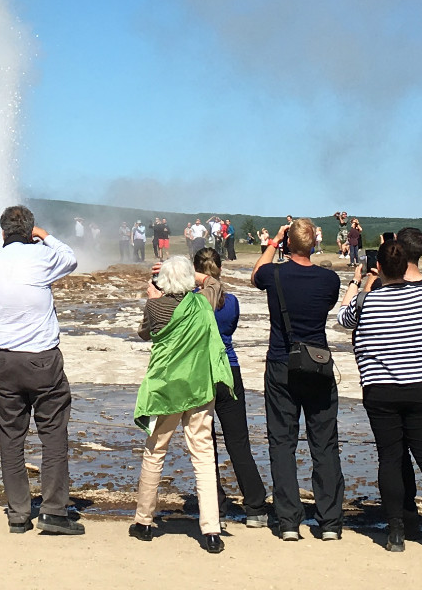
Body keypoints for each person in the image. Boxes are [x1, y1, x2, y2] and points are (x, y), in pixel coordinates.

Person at [343, 237, 422, 553]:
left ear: (377, 267)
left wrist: (358, 284)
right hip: (420, 386)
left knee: (390, 458)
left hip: (380, 388)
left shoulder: (368, 300)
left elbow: (345, 319)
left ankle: (396, 532)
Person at [0, 205, 84, 535]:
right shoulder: (42, 256)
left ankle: (18, 514)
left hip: (1, 359)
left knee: (11, 438)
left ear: (2, 233)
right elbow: (70, 258)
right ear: (31, 231)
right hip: (40, 358)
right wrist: (45, 236)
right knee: (52, 433)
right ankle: (53, 511)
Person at [130, 255, 230, 553]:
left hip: (167, 390)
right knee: (203, 456)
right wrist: (192, 276)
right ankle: (211, 529)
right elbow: (213, 282)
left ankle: (144, 521)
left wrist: (155, 293)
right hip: (199, 387)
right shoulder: (202, 303)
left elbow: (145, 332)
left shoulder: (154, 306)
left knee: (155, 452)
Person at [251, 219, 344, 541]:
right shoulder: (330, 279)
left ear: (289, 244)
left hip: (281, 362)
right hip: (318, 364)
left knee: (282, 441)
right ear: (315, 245)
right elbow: (327, 308)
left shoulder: (274, 274)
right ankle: (330, 522)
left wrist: (274, 241)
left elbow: (254, 274)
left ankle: (289, 521)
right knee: (324, 443)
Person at [193, 247, 268, 528]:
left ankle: (216, 509)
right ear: (220, 269)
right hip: (230, 371)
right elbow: (229, 330)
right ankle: (256, 507)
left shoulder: (191, 303)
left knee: (205, 443)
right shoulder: (233, 302)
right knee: (239, 442)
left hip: (201, 372)